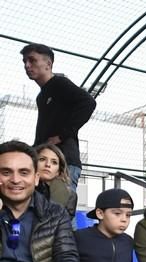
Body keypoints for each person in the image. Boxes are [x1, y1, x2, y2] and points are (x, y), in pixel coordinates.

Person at [21, 43, 96, 191]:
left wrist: (62, 135)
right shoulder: (42, 96)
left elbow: (88, 102)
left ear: (48, 64)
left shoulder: (60, 83)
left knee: (60, 210)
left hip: (64, 161)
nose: (27, 65)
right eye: (25, 62)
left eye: (32, 60)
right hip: (45, 161)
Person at [34, 143, 77, 217]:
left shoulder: (70, 195)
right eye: (42, 159)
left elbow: (62, 224)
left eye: (54, 162)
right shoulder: (22, 187)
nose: (48, 164)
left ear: (58, 171)